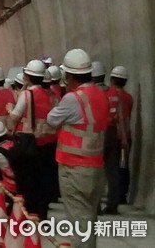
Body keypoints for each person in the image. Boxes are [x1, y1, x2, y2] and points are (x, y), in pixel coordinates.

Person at [47, 49, 109, 248]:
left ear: (69, 75)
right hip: (96, 167)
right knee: (89, 218)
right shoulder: (100, 94)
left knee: (79, 222)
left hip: (74, 169)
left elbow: (51, 119)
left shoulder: (73, 99)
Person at [9, 60, 59, 220]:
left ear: (28, 76)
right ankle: (43, 216)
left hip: (30, 144)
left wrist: (10, 110)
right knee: (44, 182)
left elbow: (15, 116)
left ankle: (30, 215)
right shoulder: (53, 96)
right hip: (50, 144)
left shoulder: (27, 95)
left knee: (28, 181)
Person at [109, 66, 133, 205]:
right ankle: (122, 195)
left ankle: (115, 197)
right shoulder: (128, 97)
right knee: (123, 166)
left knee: (112, 169)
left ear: (112, 80)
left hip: (114, 136)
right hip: (126, 136)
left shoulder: (110, 96)